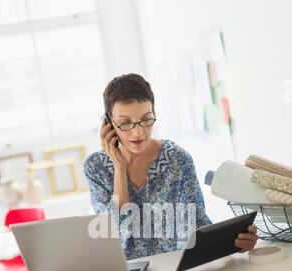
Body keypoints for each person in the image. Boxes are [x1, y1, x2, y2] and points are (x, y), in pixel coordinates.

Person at [83, 73, 258, 260]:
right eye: (126, 123)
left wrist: (232, 242)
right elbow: (117, 234)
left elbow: (196, 224)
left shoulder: (177, 159)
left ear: (154, 114)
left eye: (146, 119)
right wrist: (119, 167)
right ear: (108, 123)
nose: (138, 132)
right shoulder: (95, 168)